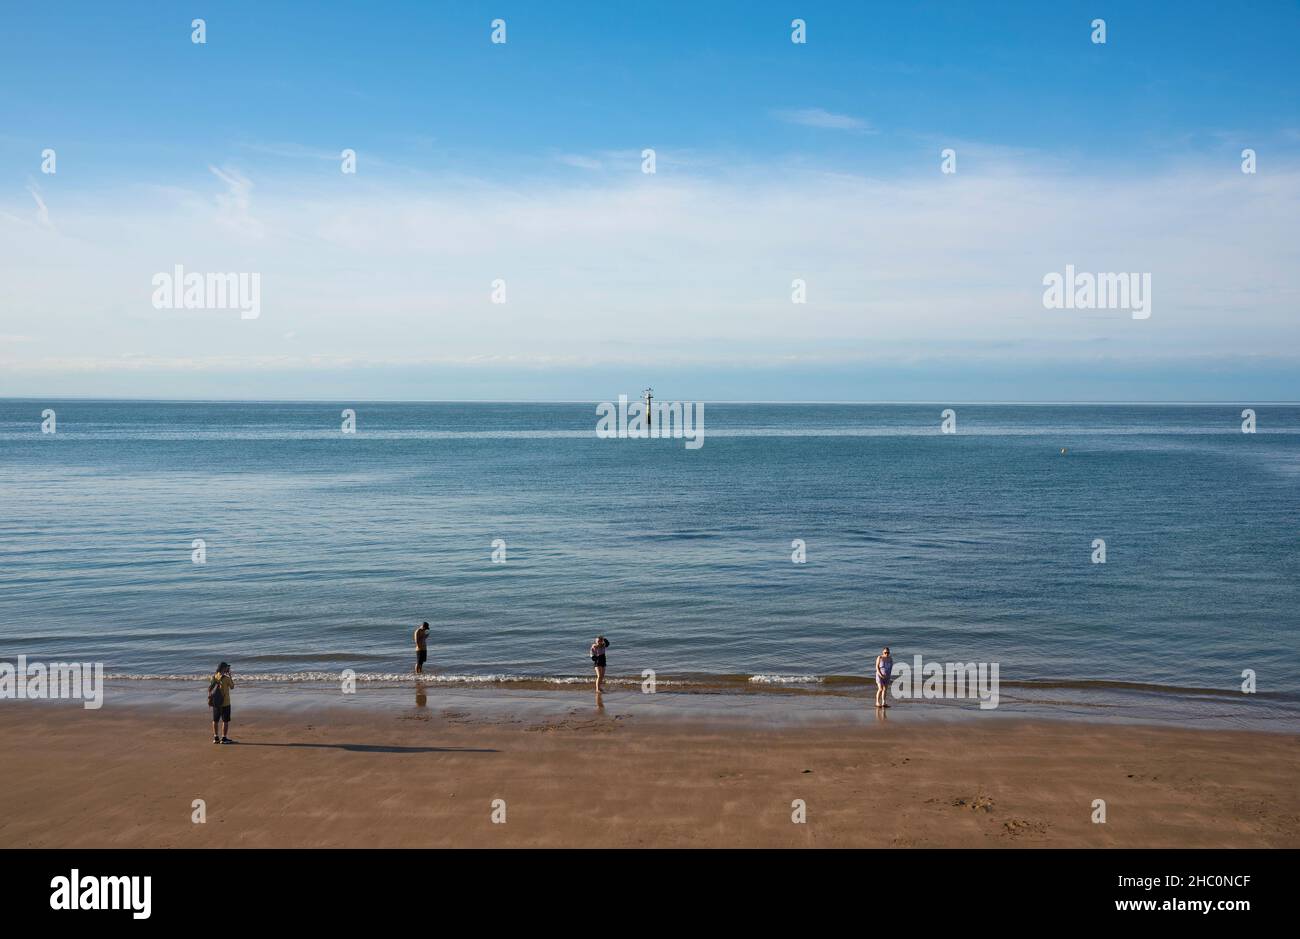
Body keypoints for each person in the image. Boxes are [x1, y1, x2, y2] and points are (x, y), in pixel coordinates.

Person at [209, 662, 234, 744]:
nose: (228, 669)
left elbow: (210, 688)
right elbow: (232, 687)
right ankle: (224, 738)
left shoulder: (215, 676)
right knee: (225, 721)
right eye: (227, 667)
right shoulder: (226, 678)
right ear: (224, 668)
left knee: (215, 720)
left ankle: (216, 737)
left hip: (216, 702)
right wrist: (230, 675)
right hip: (225, 703)